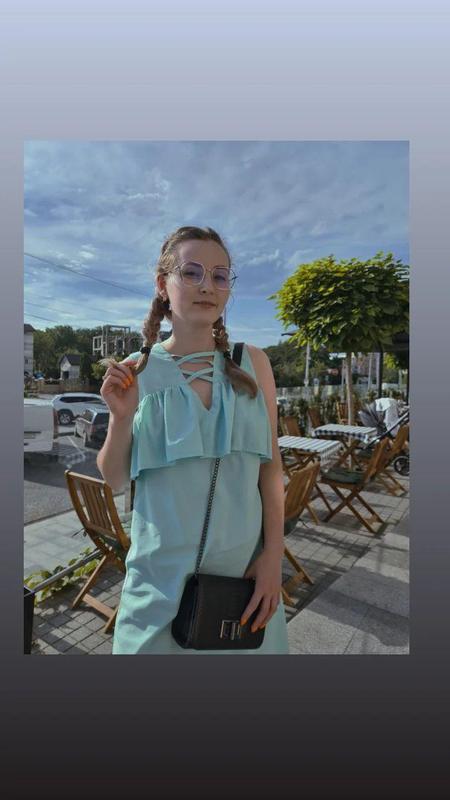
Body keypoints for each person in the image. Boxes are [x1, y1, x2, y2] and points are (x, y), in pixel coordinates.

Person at [97, 225, 289, 654]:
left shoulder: (254, 363)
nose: (207, 286)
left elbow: (271, 469)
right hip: (156, 581)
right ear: (161, 284)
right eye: (191, 272)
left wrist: (273, 556)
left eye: (220, 276)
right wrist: (120, 418)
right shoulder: (136, 369)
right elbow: (113, 480)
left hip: (243, 584)